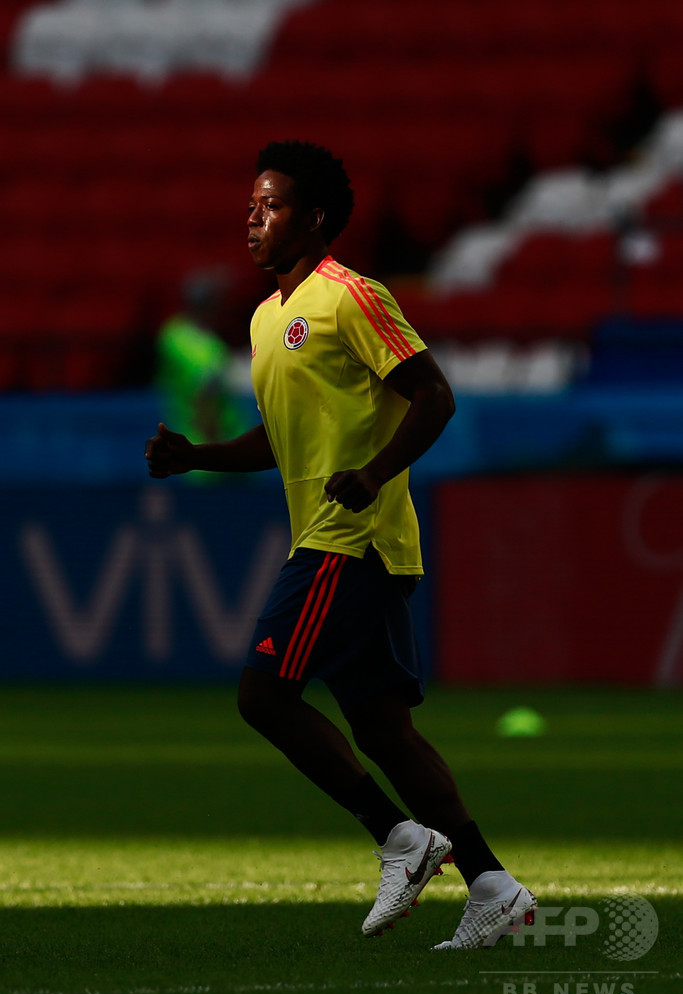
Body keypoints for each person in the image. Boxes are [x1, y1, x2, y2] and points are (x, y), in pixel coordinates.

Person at [145, 140, 535, 949]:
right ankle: (493, 886)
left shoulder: (351, 296)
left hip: (351, 539)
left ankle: (398, 838)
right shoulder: (265, 318)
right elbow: (280, 437)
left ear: (314, 217)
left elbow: (432, 395)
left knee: (263, 697)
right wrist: (197, 456)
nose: (253, 219)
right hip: (336, 536)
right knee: (384, 732)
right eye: (250, 206)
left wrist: (375, 472)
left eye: (271, 205)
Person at [155, 266, 247, 483]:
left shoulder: (176, 332)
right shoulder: (188, 342)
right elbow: (206, 395)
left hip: (221, 453)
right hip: (207, 458)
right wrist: (215, 451)